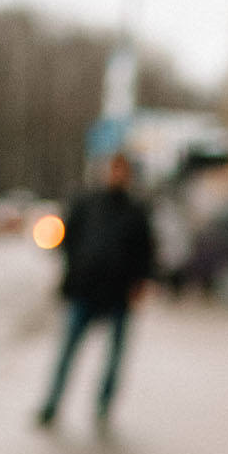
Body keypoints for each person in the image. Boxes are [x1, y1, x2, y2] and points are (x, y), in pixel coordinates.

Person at [38, 153, 155, 432]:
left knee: (113, 358)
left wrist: (139, 285)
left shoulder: (136, 210)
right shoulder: (86, 203)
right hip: (85, 289)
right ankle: (52, 404)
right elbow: (68, 242)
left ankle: (103, 408)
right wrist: (70, 275)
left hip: (119, 294)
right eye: (113, 170)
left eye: (122, 171)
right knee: (67, 353)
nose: (117, 176)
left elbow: (146, 252)